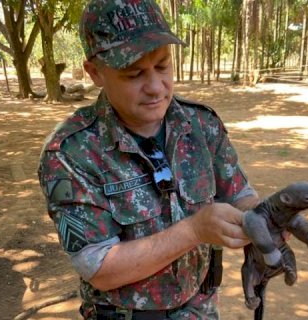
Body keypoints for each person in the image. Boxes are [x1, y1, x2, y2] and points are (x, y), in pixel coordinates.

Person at [37, 0, 259, 319]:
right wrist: (194, 231)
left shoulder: (201, 125)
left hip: (201, 308)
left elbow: (239, 194)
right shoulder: (72, 151)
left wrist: (265, 217)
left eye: (163, 65)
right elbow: (99, 267)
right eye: (134, 74)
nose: (155, 87)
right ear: (95, 72)